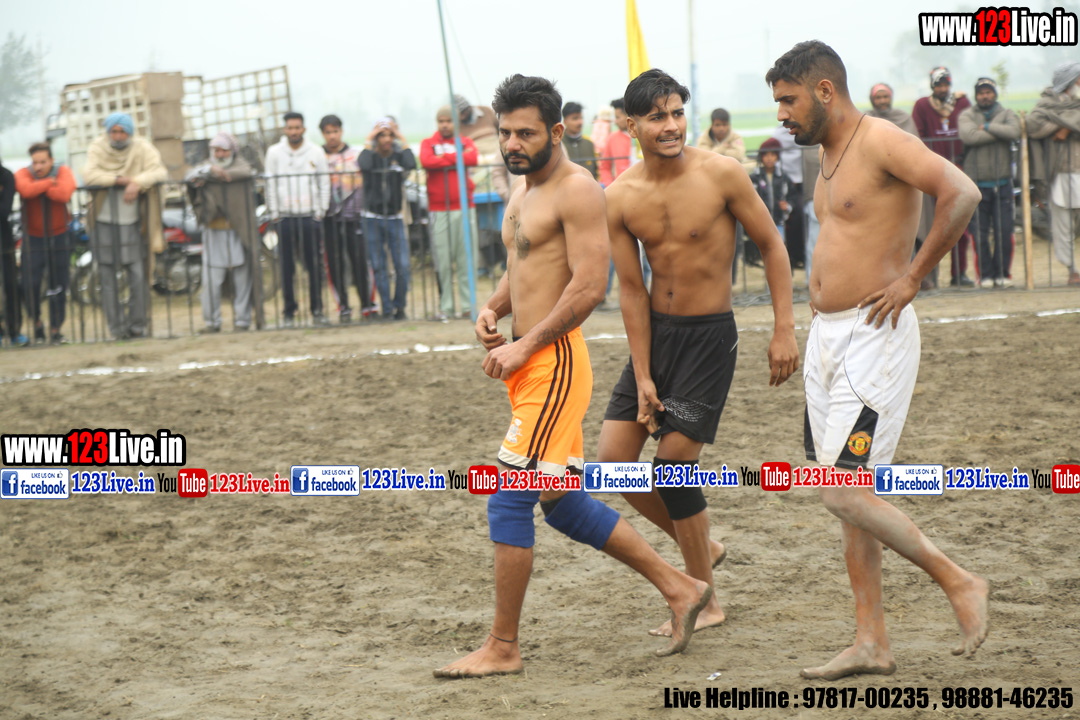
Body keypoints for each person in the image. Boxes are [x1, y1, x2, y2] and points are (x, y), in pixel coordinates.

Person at [434, 74, 712, 680]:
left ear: (557, 132)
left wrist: (526, 344)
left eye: (525, 133)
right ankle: (682, 588)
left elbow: (589, 287)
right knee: (559, 501)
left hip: (554, 362)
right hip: (528, 364)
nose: (512, 143)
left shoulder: (578, 189)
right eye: (506, 132)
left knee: (507, 496)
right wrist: (493, 309)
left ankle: (503, 647)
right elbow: (523, 263)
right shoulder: (522, 187)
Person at [767, 40, 988, 680]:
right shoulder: (827, 152)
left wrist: (913, 277)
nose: (781, 114)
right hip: (827, 337)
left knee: (837, 487)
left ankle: (959, 580)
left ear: (825, 91)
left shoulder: (883, 139)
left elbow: (963, 191)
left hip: (875, 335)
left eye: (789, 100)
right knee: (848, 493)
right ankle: (871, 642)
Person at [597, 68, 799, 639]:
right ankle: (702, 543)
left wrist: (784, 329)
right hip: (655, 337)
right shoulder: (618, 197)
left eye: (677, 113)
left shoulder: (722, 174)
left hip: (709, 337)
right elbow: (631, 289)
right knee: (612, 464)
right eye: (656, 117)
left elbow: (773, 246)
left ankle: (705, 598)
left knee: (672, 467)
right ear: (631, 125)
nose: (670, 126)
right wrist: (642, 375)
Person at [81, 112, 167, 340]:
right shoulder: (98, 147)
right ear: (108, 132)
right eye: (114, 131)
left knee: (138, 275)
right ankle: (117, 329)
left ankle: (138, 325)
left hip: (133, 223)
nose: (118, 136)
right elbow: (89, 175)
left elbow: (159, 171)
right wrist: (121, 181)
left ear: (129, 133)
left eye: (122, 132)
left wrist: (137, 183)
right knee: (107, 278)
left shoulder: (142, 147)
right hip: (103, 221)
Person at [265, 112, 331, 327]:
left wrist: (320, 210)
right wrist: (275, 212)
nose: (293, 132)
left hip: (309, 216)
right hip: (284, 217)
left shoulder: (316, 152)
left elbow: (324, 182)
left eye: (297, 128)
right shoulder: (274, 153)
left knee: (314, 266)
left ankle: (317, 310)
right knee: (287, 267)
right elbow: (270, 184)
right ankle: (289, 312)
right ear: (285, 130)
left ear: (303, 129)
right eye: (290, 128)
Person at [186, 132, 257, 333]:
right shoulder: (205, 168)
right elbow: (189, 177)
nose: (220, 154)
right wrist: (210, 170)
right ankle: (212, 322)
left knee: (242, 278)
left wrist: (219, 175)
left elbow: (245, 172)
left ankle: (242, 320)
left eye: (224, 150)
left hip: (238, 231)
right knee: (211, 279)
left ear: (232, 151)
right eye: (216, 150)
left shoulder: (241, 166)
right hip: (214, 232)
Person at [913, 67, 974, 288]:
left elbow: (968, 130)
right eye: (938, 85)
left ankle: (959, 273)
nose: (942, 88)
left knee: (960, 227)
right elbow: (918, 135)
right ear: (932, 86)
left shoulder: (962, 103)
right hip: (932, 173)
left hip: (958, 169)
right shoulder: (922, 106)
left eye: (945, 84)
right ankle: (928, 277)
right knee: (929, 227)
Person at [958, 77, 1020, 288]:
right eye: (981, 93)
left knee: (1005, 231)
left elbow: (1014, 131)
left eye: (988, 92)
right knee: (979, 233)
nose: (985, 96)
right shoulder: (967, 115)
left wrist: (986, 127)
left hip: (1002, 183)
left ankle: (1003, 274)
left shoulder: (1007, 113)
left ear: (995, 93)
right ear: (976, 95)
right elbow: (969, 136)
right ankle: (985, 275)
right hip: (976, 185)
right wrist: (999, 132)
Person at [420, 105, 480, 320]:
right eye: (441, 121)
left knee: (466, 259)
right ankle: (445, 306)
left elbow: (473, 158)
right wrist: (457, 157)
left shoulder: (466, 142)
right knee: (443, 261)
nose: (445, 125)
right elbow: (427, 161)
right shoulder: (428, 143)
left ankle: (467, 305)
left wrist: (445, 158)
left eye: (448, 121)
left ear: (456, 122)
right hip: (438, 209)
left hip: (464, 207)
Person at [14, 142, 76, 343]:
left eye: (43, 162)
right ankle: (37, 323)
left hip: (60, 235)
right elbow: (25, 190)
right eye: (35, 163)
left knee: (59, 285)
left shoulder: (63, 170)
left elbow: (65, 193)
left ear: (51, 160)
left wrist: (39, 187)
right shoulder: (24, 173)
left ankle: (56, 329)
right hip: (33, 237)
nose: (38, 167)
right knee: (29, 284)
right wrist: (50, 182)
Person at [1027, 61, 1080, 286]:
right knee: (1063, 226)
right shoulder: (1046, 104)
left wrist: (1067, 128)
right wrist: (1064, 126)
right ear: (1070, 82)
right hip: (1059, 173)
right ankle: (1072, 270)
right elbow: (1033, 124)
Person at [359, 119, 416, 321]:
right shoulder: (371, 157)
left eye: (389, 135)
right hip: (372, 218)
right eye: (381, 135)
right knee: (379, 266)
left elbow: (411, 164)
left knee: (403, 265)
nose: (386, 139)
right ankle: (387, 308)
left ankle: (399, 306)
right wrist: (369, 139)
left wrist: (401, 138)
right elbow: (363, 164)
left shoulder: (398, 157)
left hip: (394, 217)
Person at [320, 114, 374, 322]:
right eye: (328, 132)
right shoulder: (318, 157)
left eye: (335, 131)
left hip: (354, 217)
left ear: (341, 131)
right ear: (323, 134)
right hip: (329, 218)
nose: (332, 136)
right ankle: (343, 306)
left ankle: (368, 304)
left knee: (360, 261)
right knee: (334, 264)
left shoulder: (355, 155)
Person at [0, 158, 25, 346]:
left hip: (4, 241)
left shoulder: (6, 175)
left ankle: (14, 331)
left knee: (11, 286)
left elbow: (4, 211)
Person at [749, 137, 792, 239]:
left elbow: (792, 196)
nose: (769, 158)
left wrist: (787, 206)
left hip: (779, 221)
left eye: (772, 155)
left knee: (779, 244)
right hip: (760, 222)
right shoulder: (754, 178)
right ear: (761, 157)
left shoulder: (783, 177)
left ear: (777, 156)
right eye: (766, 155)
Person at [696, 108, 756, 172]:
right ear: (712, 125)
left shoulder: (735, 137)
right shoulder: (704, 139)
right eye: (717, 125)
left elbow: (739, 156)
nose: (721, 128)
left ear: (729, 125)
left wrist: (717, 152)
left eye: (724, 124)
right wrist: (722, 148)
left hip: (732, 170)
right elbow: (706, 158)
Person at [561, 101, 599, 180]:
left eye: (581, 118)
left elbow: (595, 172)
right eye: (575, 118)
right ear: (565, 121)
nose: (580, 122)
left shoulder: (589, 144)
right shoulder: (559, 145)